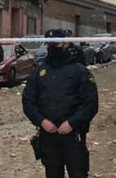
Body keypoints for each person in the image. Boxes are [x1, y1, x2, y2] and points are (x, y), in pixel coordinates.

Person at [22, 40, 98, 178]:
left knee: (78, 173)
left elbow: (90, 103)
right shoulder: (39, 71)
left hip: (73, 134)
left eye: (56, 44)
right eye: (49, 44)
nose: (52, 48)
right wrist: (42, 121)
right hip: (48, 134)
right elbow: (28, 101)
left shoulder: (79, 71)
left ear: (66, 45)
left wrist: (72, 123)